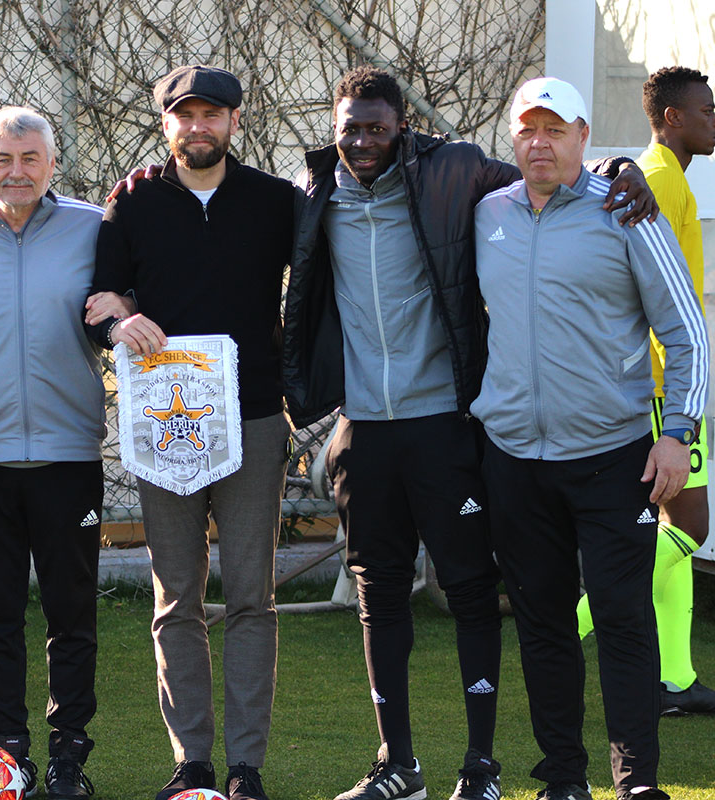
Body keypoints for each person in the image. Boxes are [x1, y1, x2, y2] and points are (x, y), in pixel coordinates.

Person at [282, 66, 659, 800]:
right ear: (334, 129)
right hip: (365, 429)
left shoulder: (455, 173)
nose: (363, 141)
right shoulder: (309, 192)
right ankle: (398, 766)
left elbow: (549, 171)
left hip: (448, 426)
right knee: (378, 597)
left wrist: (620, 164)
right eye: (350, 128)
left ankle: (481, 769)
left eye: (378, 127)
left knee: (473, 592)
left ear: (402, 128)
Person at [472, 77, 707, 800]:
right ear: (513, 138)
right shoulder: (487, 213)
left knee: (622, 619)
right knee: (543, 627)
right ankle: (563, 779)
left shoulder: (628, 209)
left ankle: (637, 781)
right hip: (514, 460)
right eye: (528, 129)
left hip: (614, 458)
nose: (540, 143)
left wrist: (679, 434)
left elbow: (687, 331)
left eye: (556, 129)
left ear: (582, 136)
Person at [85, 65, 294, 800]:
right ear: (166, 122)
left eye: (212, 114)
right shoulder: (133, 200)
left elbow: (322, 283)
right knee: (176, 598)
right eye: (185, 114)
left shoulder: (275, 201)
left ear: (235, 121)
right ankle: (192, 762)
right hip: (164, 423)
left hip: (254, 417)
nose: (197, 126)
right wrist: (118, 320)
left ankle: (245, 768)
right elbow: (99, 300)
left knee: (251, 597)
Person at [0, 106, 107, 800]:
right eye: (2, 159)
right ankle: (9, 751)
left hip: (69, 458)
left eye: (30, 158)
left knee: (71, 614)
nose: (16, 171)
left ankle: (69, 754)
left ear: (51, 164)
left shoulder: (93, 228)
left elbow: (122, 307)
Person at [576, 65, 715, 717]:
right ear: (673, 118)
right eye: (707, 111)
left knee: (673, 531)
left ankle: (676, 680)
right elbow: (637, 287)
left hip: (670, 386)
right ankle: (565, 624)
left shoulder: (671, 178)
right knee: (689, 527)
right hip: (663, 390)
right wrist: (668, 389)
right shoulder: (654, 178)